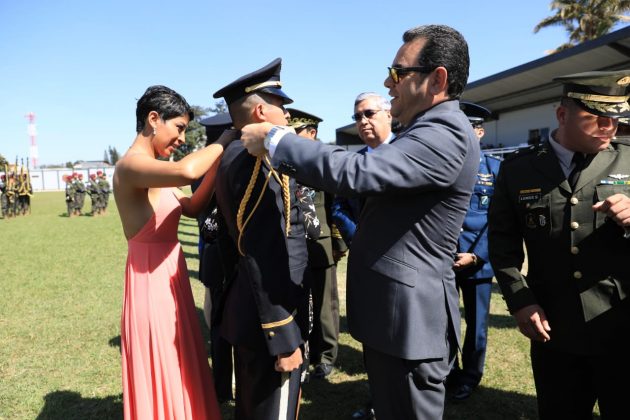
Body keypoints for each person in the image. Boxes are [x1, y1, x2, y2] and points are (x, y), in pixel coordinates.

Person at [240, 25, 479, 419]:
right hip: (396, 320)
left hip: (410, 325)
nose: (389, 83)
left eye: (399, 72)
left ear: (437, 79)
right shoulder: (424, 130)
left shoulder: (445, 132)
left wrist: (276, 139)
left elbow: (357, 171)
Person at [488, 70, 630, 419]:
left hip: (621, 328)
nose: (609, 128)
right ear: (562, 115)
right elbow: (503, 244)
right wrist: (520, 301)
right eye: (597, 118)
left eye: (615, 119)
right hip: (555, 329)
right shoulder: (518, 170)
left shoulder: (627, 159)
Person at [113, 85, 234, 420]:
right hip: (150, 284)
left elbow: (192, 207)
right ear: (154, 119)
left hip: (171, 280)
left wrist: (217, 165)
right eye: (179, 128)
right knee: (163, 362)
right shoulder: (130, 166)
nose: (181, 138)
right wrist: (224, 140)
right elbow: (186, 171)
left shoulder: (153, 166)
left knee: (178, 361)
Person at [212, 58, 310, 420]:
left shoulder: (234, 154)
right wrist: (282, 334)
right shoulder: (257, 160)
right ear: (261, 111)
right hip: (270, 319)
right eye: (281, 107)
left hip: (250, 310)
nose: (287, 115)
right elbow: (263, 249)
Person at [287, 108, 345, 380]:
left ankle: (326, 356)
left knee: (324, 305)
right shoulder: (285, 162)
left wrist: (338, 243)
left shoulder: (324, 163)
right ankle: (303, 352)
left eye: (297, 132)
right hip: (292, 244)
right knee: (297, 301)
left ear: (312, 133)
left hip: (320, 243)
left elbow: (336, 206)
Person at [448, 102, 501, 401]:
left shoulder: (495, 169)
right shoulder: (442, 164)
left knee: (477, 324)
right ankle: (446, 372)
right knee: (444, 321)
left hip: (477, 260)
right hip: (442, 258)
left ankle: (469, 377)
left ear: (480, 132)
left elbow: (500, 219)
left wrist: (477, 254)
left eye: (468, 128)